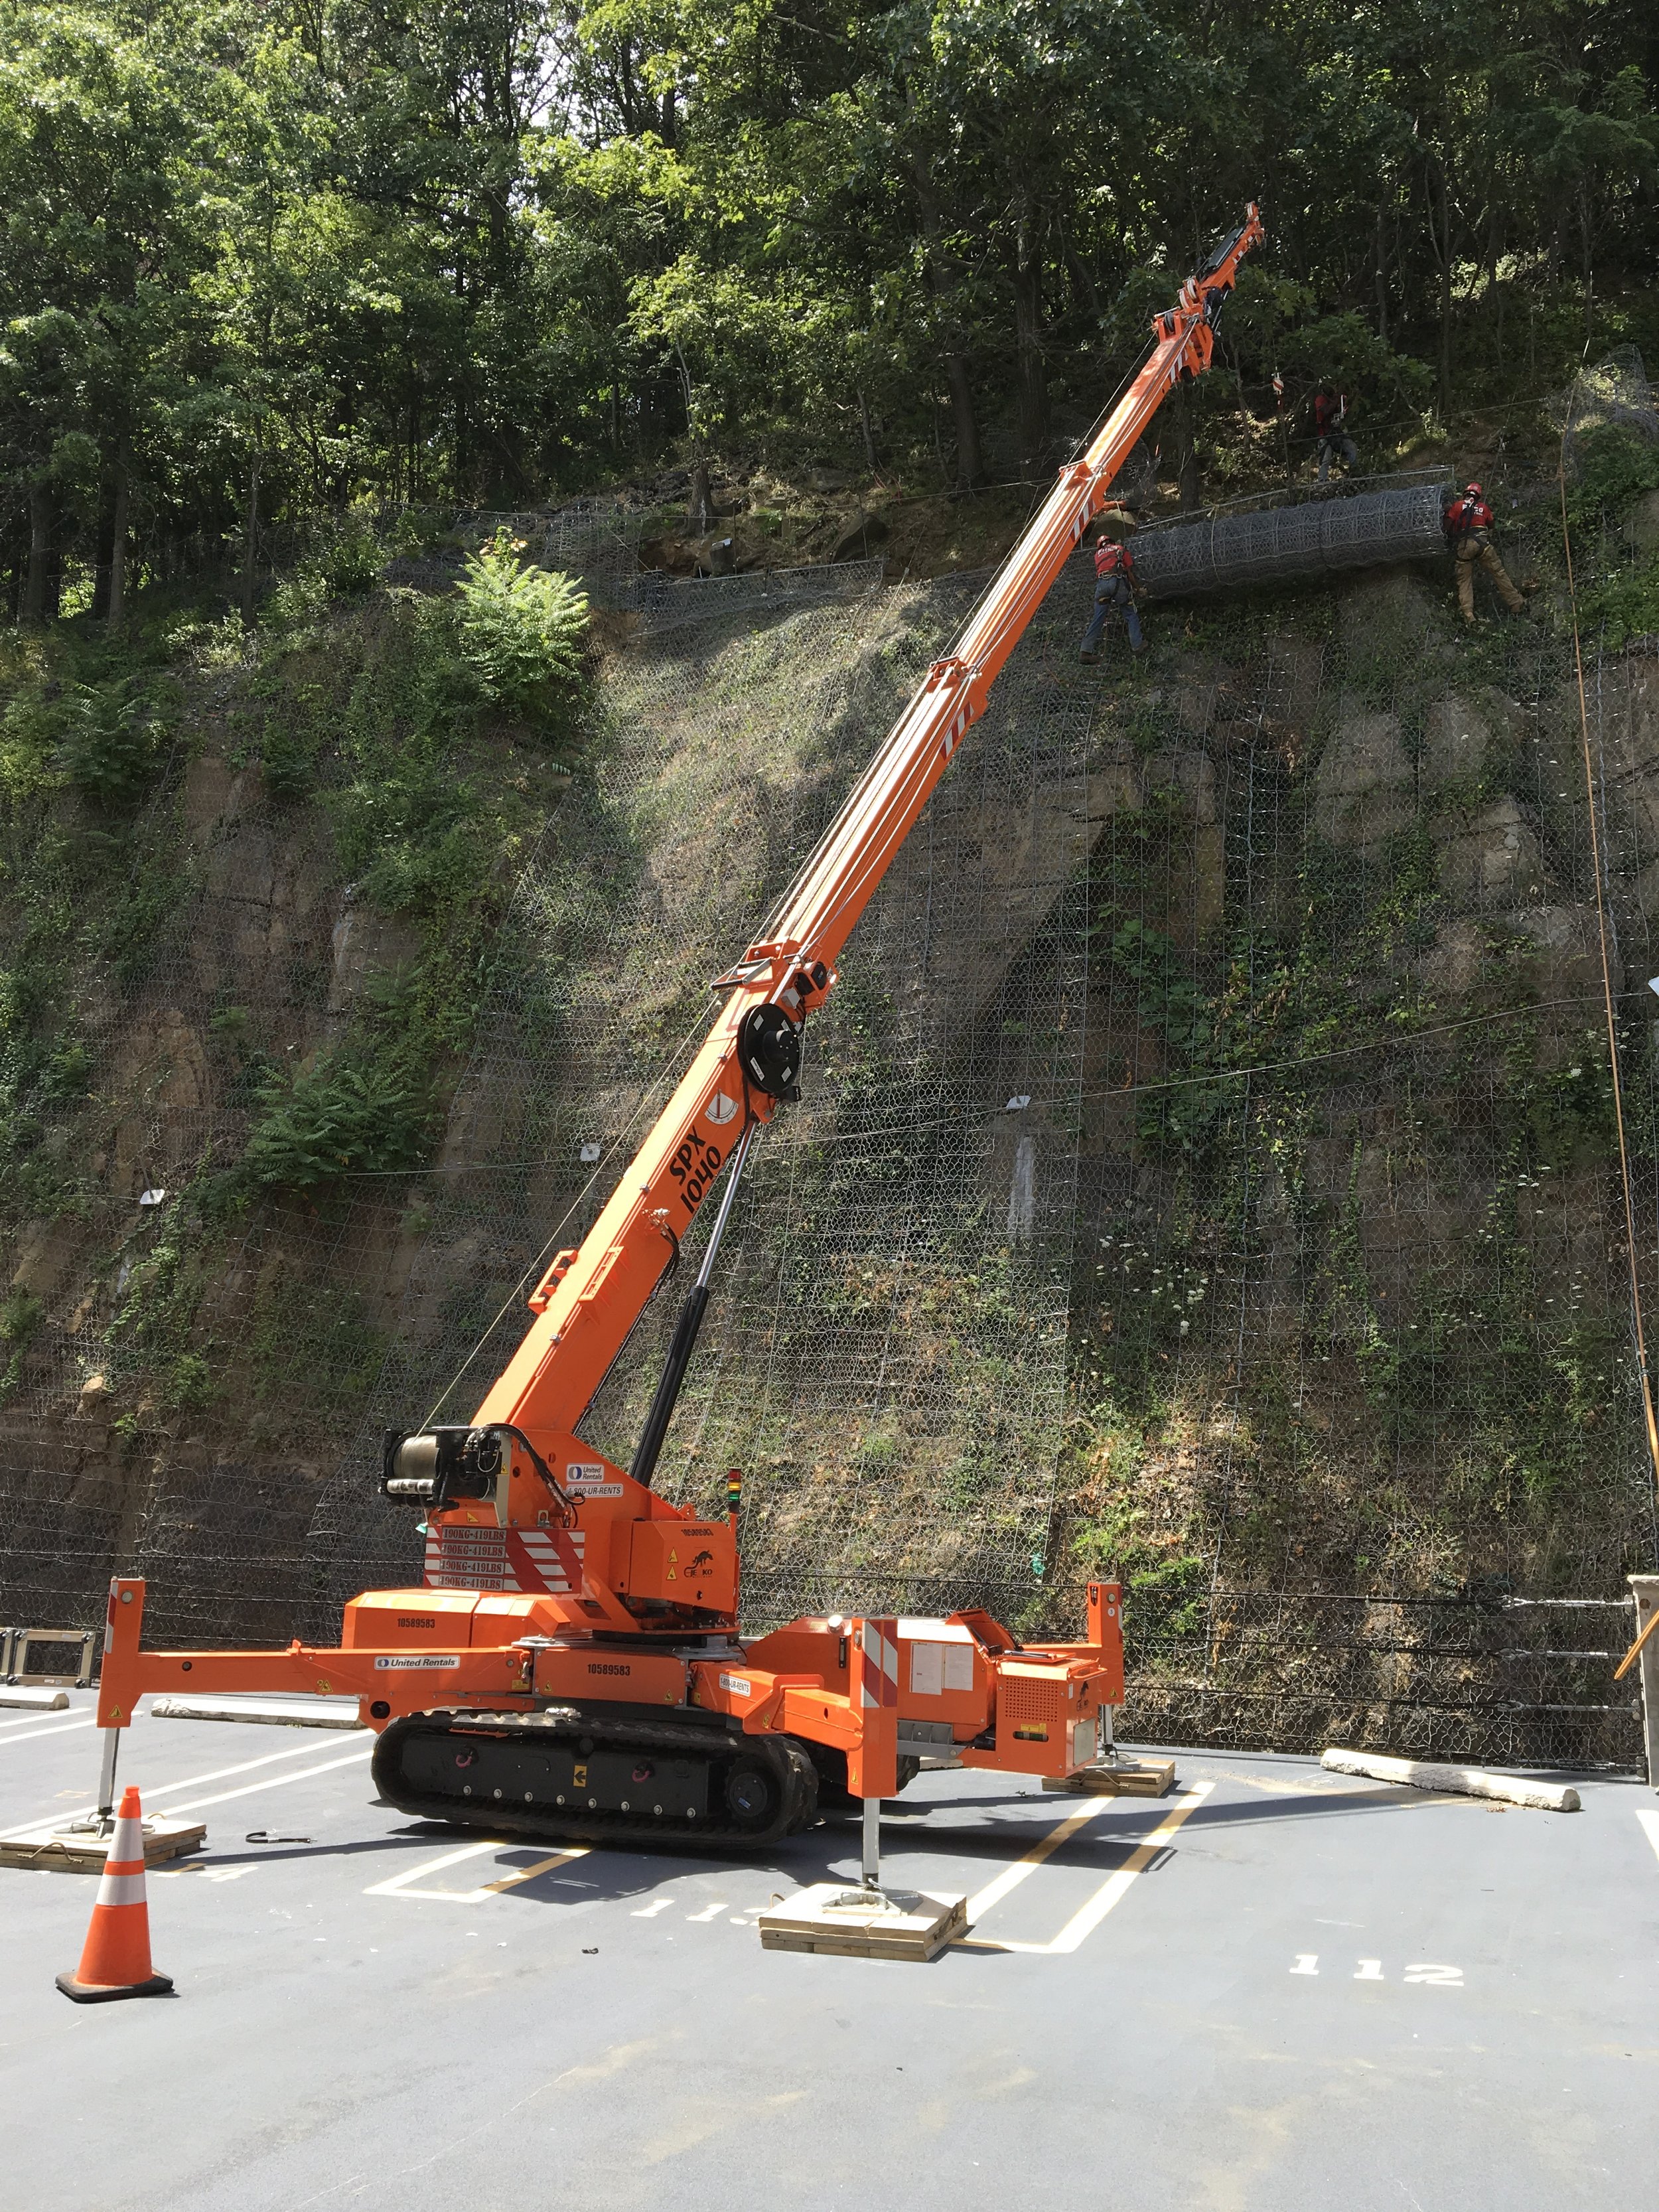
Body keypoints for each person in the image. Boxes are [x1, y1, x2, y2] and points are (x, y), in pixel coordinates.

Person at [1443, 482, 1526, 625]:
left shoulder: (1457, 506)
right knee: (1499, 573)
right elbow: (1491, 526)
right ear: (1478, 496)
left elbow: (1448, 526)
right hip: (1483, 545)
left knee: (1465, 581)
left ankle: (1469, 614)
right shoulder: (1484, 508)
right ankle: (1516, 603)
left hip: (1464, 547)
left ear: (1466, 493)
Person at [1080, 527, 1143, 662]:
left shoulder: (1097, 556)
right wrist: (1137, 589)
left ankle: (1085, 651)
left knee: (1098, 618)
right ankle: (1137, 645)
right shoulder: (1119, 549)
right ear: (1111, 542)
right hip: (1118, 582)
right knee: (1130, 614)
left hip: (1102, 585)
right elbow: (1130, 573)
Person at [1314, 385, 1357, 482]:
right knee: (1325, 457)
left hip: (1337, 433)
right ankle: (1322, 481)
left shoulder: (1337, 399)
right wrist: (1337, 399)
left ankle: (1354, 474)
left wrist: (1345, 407)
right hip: (1325, 435)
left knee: (1351, 448)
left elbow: (1342, 415)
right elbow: (1326, 411)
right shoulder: (1320, 399)